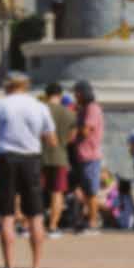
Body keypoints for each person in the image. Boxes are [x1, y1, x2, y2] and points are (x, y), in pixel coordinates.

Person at [0, 73, 56, 268]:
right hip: (31, 159)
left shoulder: (0, 104)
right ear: (26, 85)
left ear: (7, 86)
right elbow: (51, 139)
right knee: (35, 215)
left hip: (7, 159)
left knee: (6, 215)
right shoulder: (39, 106)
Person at [41, 83, 76, 237]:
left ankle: (29, 225)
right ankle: (53, 226)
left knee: (35, 192)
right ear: (60, 95)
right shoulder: (69, 113)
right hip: (60, 156)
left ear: (46, 94)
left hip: (38, 156)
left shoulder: (39, 109)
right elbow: (72, 138)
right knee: (57, 193)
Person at [71, 81, 104, 236]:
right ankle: (88, 220)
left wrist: (73, 130)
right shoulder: (84, 109)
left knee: (91, 191)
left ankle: (93, 223)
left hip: (90, 155)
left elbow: (85, 130)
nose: (75, 96)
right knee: (85, 191)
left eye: (77, 93)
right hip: (83, 155)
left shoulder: (92, 108)